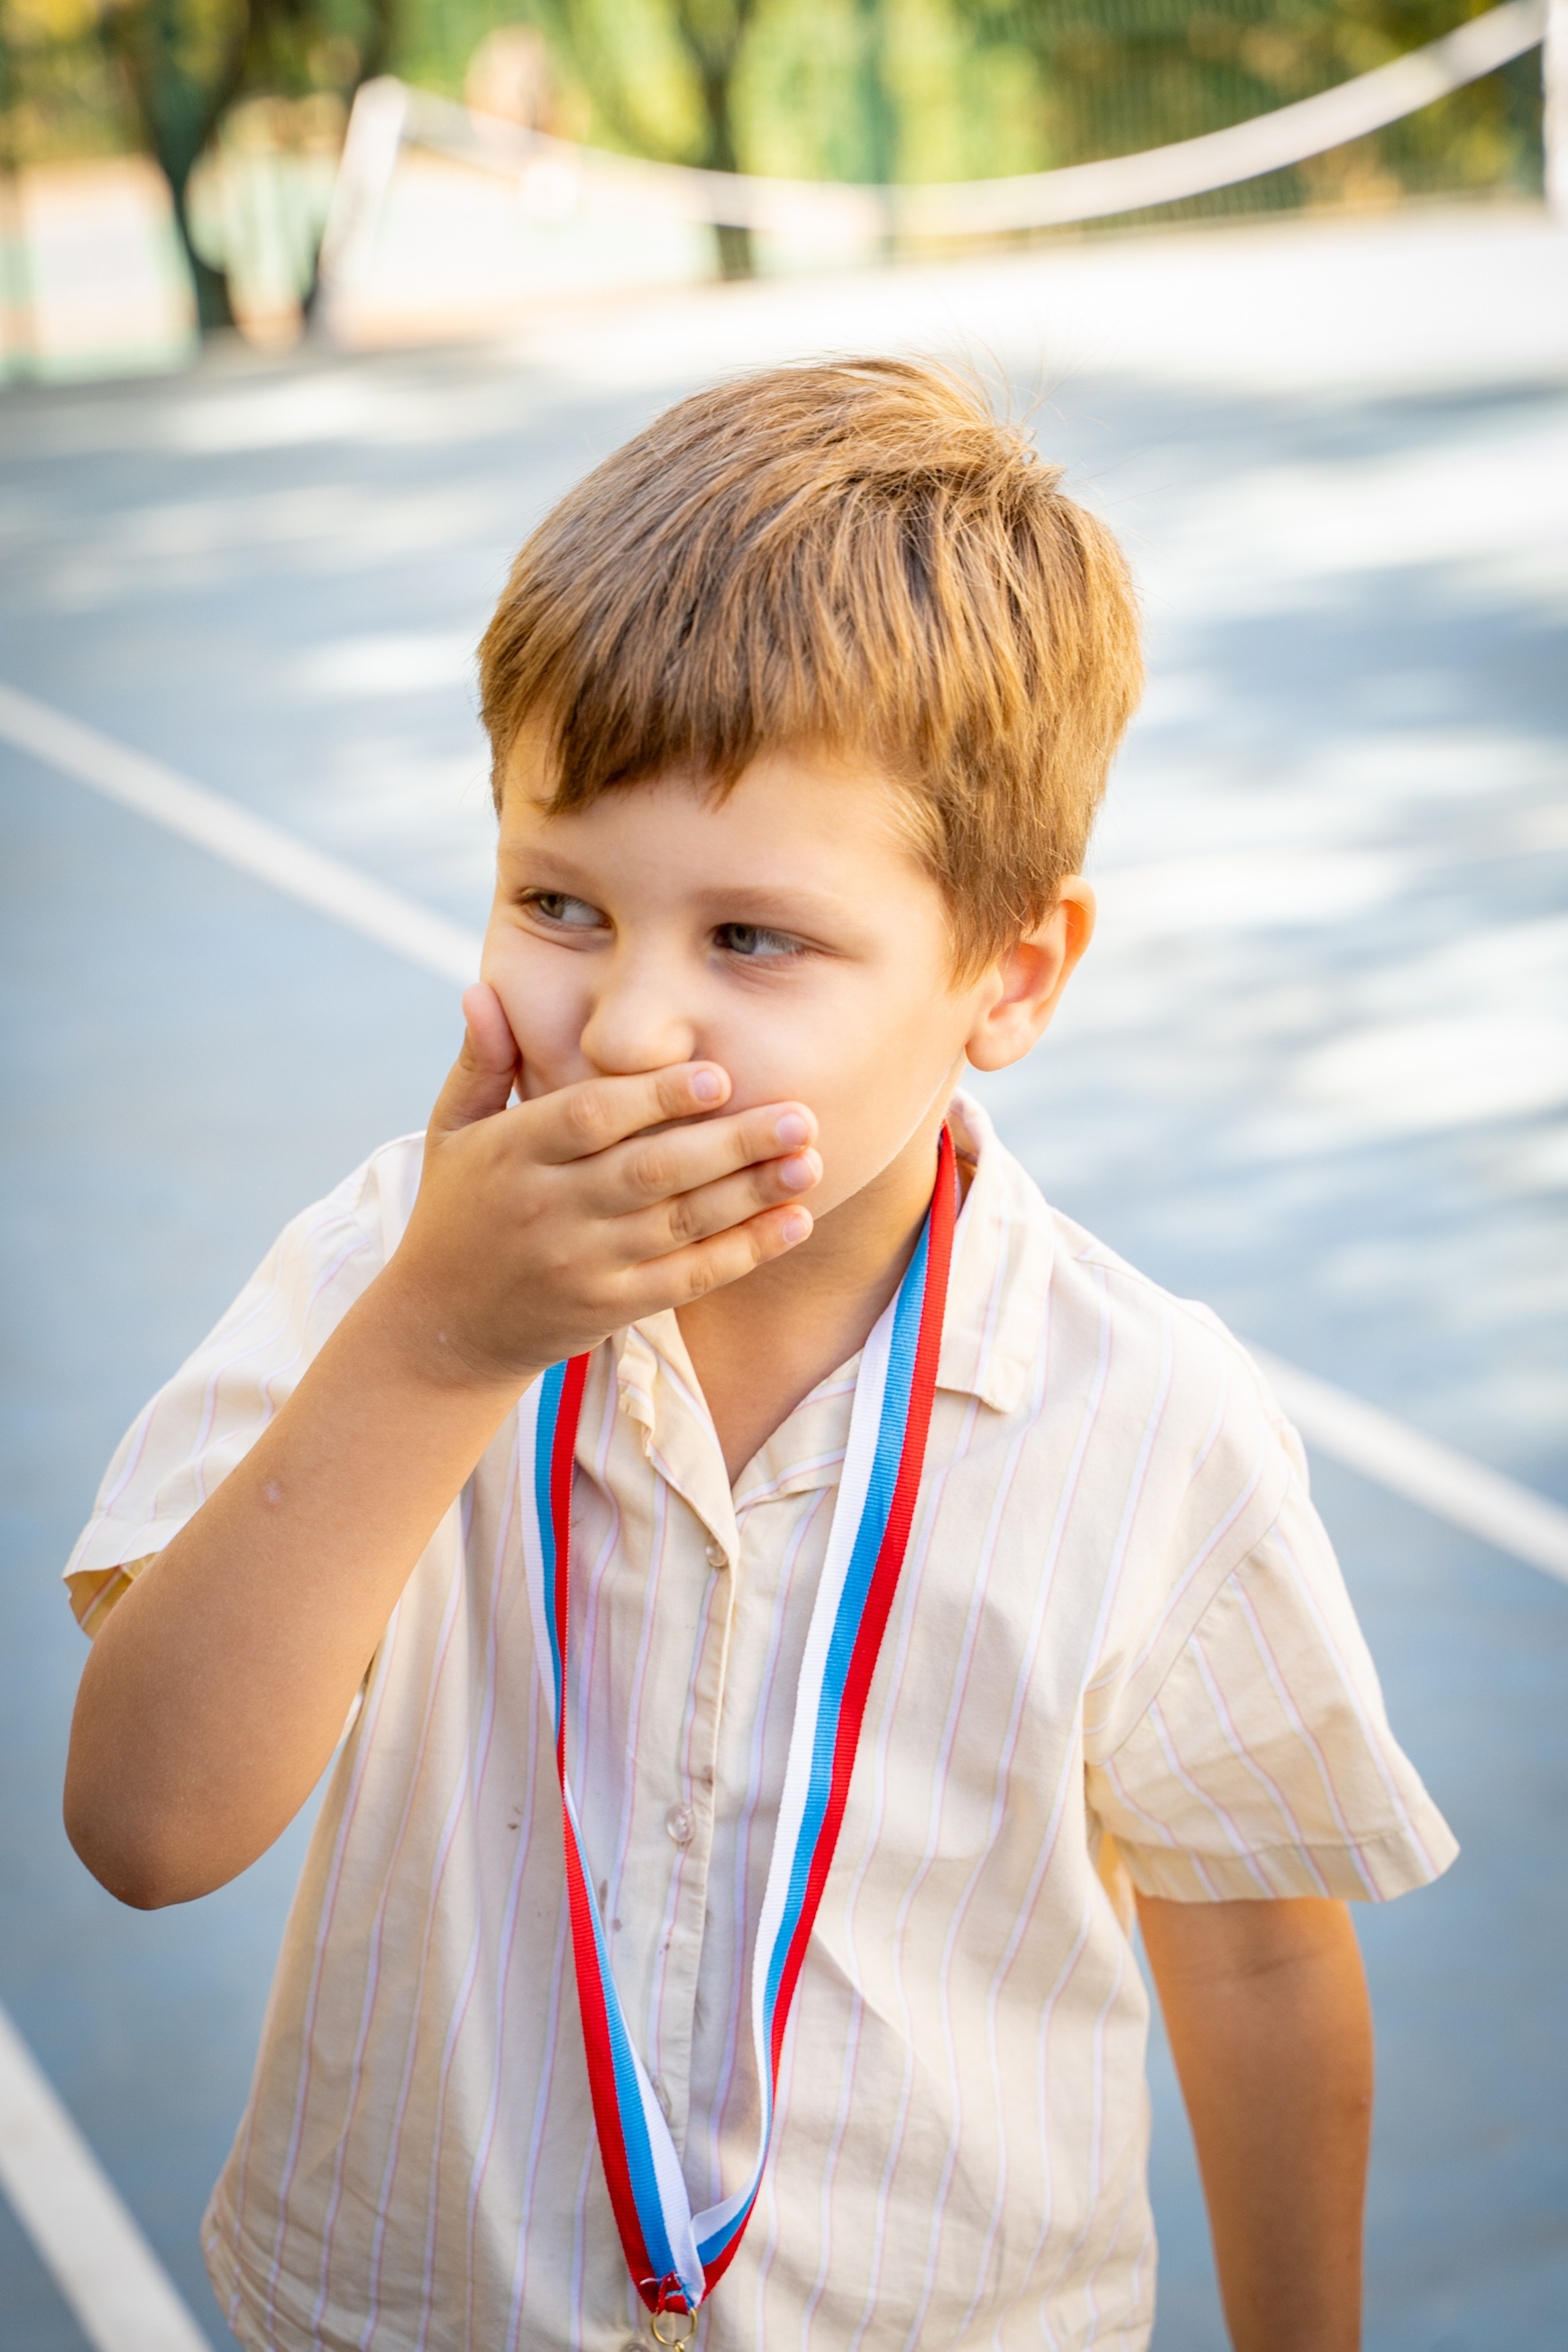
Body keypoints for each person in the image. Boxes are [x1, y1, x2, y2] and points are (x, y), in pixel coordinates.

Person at [61, 358, 1455, 2352]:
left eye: (754, 941)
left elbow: (1253, 1970)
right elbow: (147, 1828)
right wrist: (439, 1348)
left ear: (1012, 973)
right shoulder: (381, 1278)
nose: (627, 1028)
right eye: (558, 902)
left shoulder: (1145, 1420)